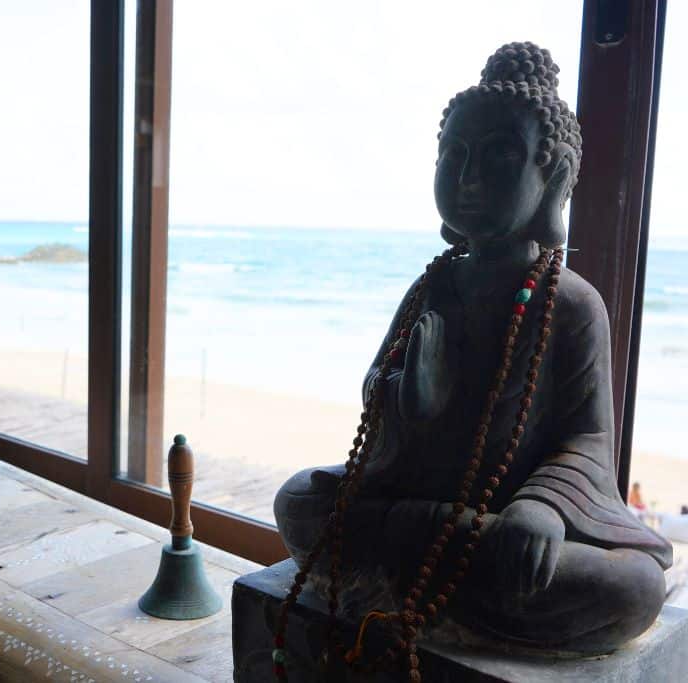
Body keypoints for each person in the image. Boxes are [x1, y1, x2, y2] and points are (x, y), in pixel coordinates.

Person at [274, 42, 671, 657]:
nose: (468, 180)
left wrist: (542, 509)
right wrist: (411, 395)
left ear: (555, 176)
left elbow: (588, 439)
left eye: (498, 156)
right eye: (453, 156)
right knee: (300, 500)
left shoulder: (571, 304)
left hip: (502, 528)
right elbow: (377, 395)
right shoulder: (433, 285)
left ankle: (408, 580)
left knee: (635, 588)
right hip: (428, 509)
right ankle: (435, 580)